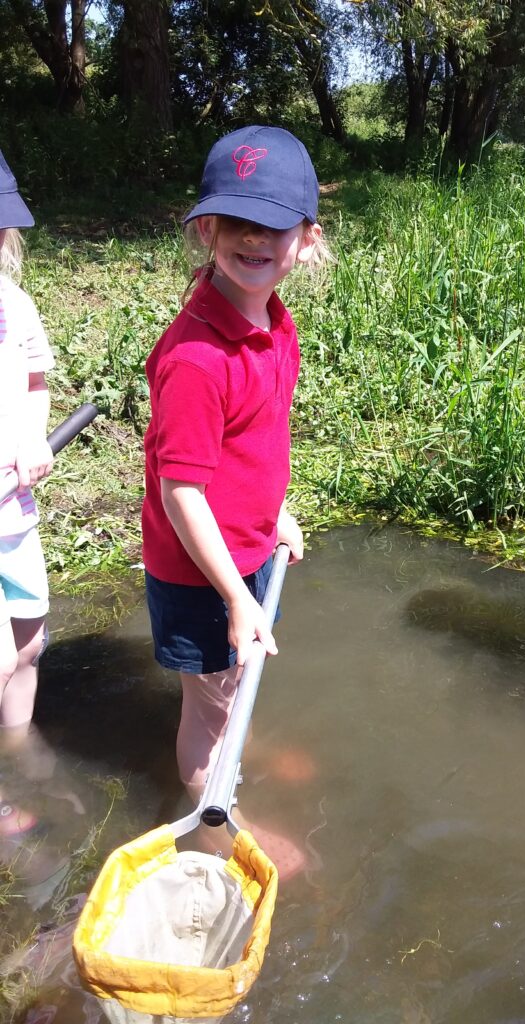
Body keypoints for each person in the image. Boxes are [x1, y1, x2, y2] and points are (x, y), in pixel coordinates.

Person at [142, 126, 325, 875]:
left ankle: (230, 752)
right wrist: (235, 598)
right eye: (236, 224)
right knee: (207, 704)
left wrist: (272, 511)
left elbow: (253, 444)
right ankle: (215, 818)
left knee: (231, 682)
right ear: (208, 230)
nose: (253, 241)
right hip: (199, 569)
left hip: (244, 548)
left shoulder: (273, 322)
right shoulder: (195, 356)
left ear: (307, 239)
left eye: (272, 227)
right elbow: (181, 488)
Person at [0, 149, 55, 838]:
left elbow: (36, 379)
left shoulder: (14, 305)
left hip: (14, 514)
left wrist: (34, 440)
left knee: (30, 641)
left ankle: (20, 746)